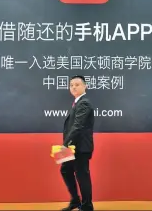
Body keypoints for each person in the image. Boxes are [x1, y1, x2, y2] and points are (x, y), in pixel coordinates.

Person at [60, 75, 95, 211]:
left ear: (85, 86)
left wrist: (65, 144)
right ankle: (75, 200)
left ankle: (87, 206)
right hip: (72, 146)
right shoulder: (77, 102)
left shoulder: (84, 103)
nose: (73, 87)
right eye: (71, 85)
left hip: (80, 147)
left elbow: (78, 126)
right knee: (65, 170)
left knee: (82, 175)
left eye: (77, 84)